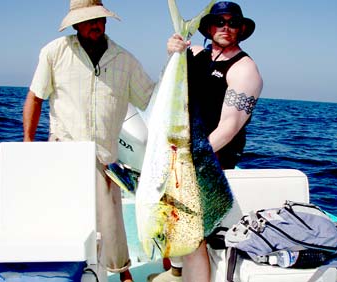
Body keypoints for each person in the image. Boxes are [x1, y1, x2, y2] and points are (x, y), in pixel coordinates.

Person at [23, 1, 155, 281]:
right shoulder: (54, 52)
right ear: (76, 24)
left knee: (112, 224)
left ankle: (123, 274)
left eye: (99, 19)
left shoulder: (125, 60)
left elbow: (152, 100)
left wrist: (180, 63)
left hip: (105, 156)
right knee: (62, 222)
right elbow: (35, 97)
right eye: (88, 20)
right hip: (63, 151)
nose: (95, 25)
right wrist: (27, 144)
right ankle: (63, 271)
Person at [148, 1, 263, 281]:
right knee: (180, 231)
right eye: (220, 22)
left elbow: (229, 127)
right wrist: (173, 52)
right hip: (179, 158)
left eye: (233, 23)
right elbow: (167, 89)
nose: (226, 27)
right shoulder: (195, 54)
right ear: (210, 27)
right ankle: (178, 273)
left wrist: (189, 159)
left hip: (210, 163)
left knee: (193, 234)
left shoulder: (245, 69)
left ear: (241, 29)